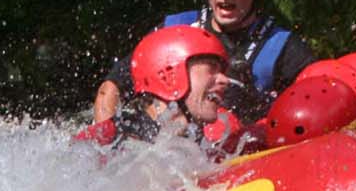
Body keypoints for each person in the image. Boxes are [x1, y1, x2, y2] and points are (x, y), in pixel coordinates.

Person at [94, 0, 316, 124]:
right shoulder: (173, 30)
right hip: (170, 154)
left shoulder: (283, 47)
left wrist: (260, 106)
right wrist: (105, 145)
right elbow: (112, 86)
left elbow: (316, 103)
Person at [79, 25, 240, 158]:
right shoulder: (108, 138)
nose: (224, 80)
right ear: (170, 75)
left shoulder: (205, 144)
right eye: (211, 69)